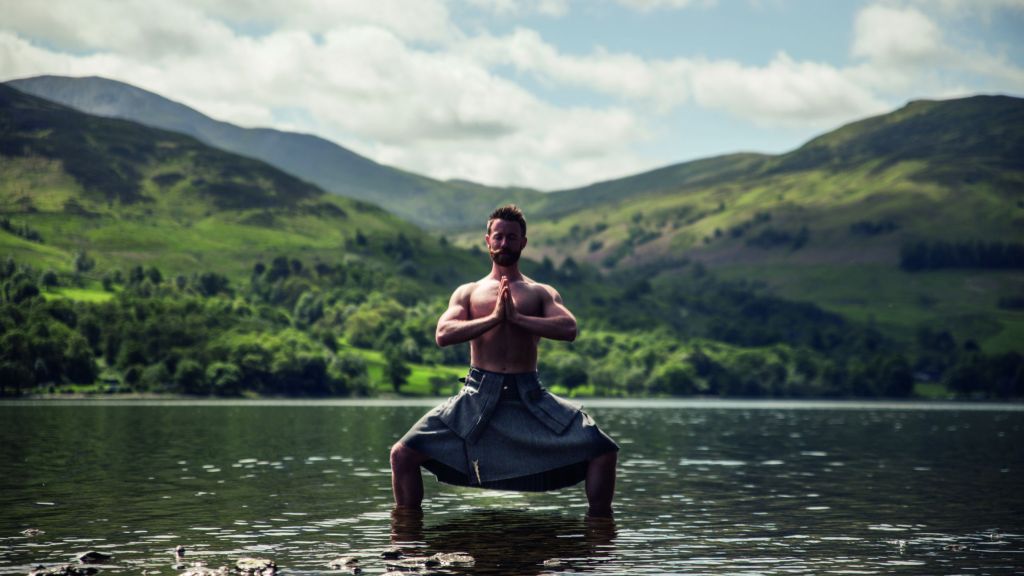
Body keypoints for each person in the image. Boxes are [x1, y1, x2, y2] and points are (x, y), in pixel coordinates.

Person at [390, 204, 618, 516]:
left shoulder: (539, 292)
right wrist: (496, 318)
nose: (504, 243)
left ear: (523, 242)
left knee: (602, 450)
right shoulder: (468, 292)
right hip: (477, 395)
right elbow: (444, 333)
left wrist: (518, 318)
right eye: (498, 237)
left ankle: (600, 539)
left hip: (529, 395)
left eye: (512, 237)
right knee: (402, 454)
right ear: (487, 241)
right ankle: (405, 540)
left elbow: (569, 328)